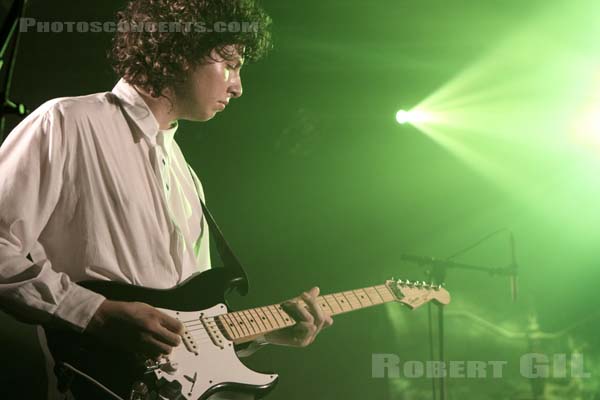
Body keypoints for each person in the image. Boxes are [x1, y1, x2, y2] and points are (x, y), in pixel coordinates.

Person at [0, 0, 333, 398]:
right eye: (229, 63)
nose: (238, 86)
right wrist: (95, 313)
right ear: (177, 50)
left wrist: (265, 332)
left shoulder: (187, 176)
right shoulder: (67, 122)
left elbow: (191, 326)